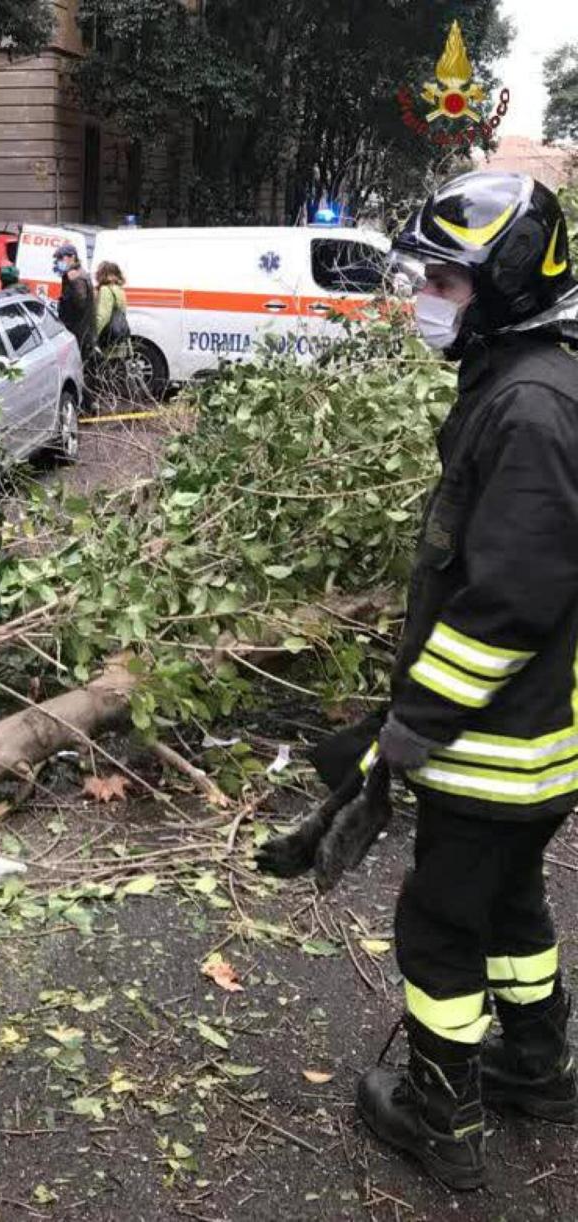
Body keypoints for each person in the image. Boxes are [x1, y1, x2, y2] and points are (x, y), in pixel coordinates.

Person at [350, 170, 578, 1190]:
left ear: (507, 284)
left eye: (446, 277)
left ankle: (442, 1117)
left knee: (440, 925)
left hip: (495, 746)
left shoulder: (530, 407)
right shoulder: (533, 380)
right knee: (514, 904)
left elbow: (509, 600)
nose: (429, 295)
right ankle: (538, 1066)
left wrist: (413, 722)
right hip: (538, 745)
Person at [54, 242, 95, 360]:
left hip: (78, 331)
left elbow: (80, 304)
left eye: (61, 258)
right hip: (78, 330)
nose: (58, 261)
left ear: (72, 257)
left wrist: (72, 283)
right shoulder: (71, 274)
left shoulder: (76, 277)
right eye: (57, 259)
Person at [94, 261, 130, 352]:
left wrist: (94, 335)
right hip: (117, 336)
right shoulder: (119, 289)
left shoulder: (106, 289)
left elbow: (103, 316)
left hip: (107, 337)